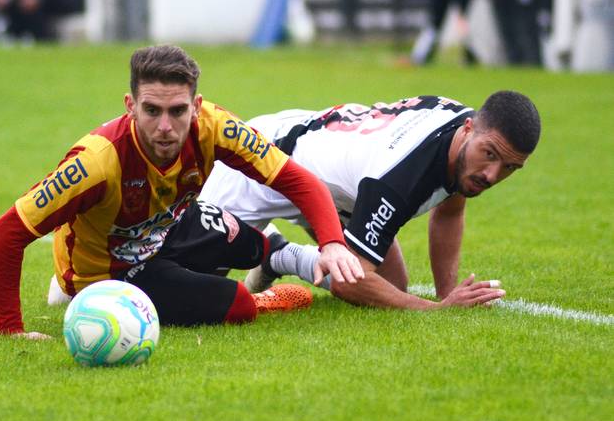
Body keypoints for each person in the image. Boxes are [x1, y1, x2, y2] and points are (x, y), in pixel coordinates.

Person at [0, 45, 363, 339]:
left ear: (196, 107)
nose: (165, 126)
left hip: (165, 225)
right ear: (130, 106)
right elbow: (6, 232)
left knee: (244, 240)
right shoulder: (96, 163)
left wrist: (331, 242)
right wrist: (10, 330)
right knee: (237, 306)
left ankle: (282, 257)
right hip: (112, 271)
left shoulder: (215, 127)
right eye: (152, 111)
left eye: (178, 111)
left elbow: (296, 179)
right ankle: (71, 291)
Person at [199, 91, 541, 310]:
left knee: (391, 288)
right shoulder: (400, 176)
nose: (493, 175)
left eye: (510, 167)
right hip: (267, 161)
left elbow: (450, 209)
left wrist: (446, 293)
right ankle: (276, 252)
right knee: (199, 293)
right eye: (490, 155)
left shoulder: (465, 139)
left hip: (337, 181)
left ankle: (277, 254)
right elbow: (350, 285)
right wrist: (437, 310)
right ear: (468, 129)